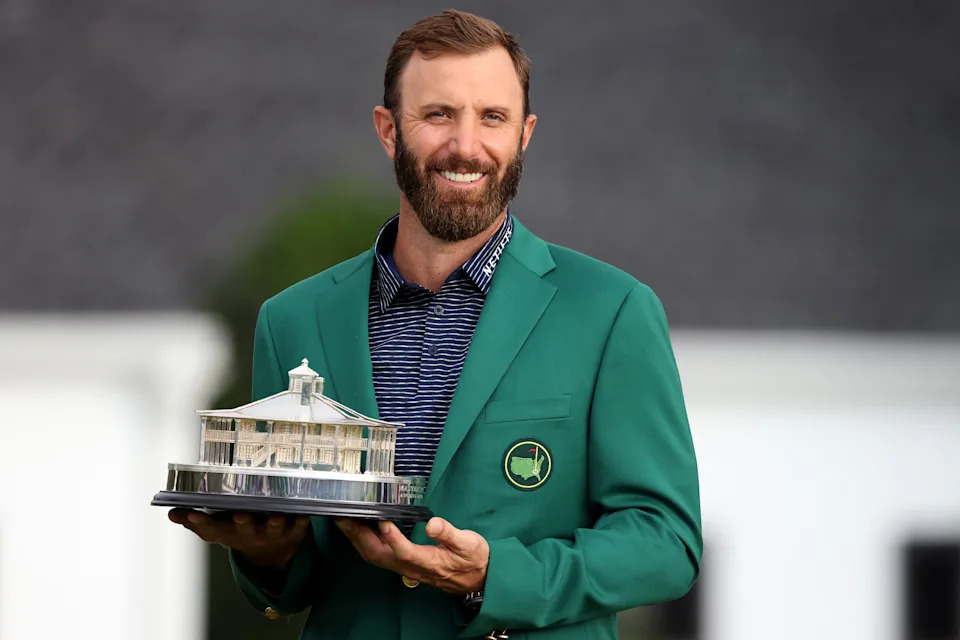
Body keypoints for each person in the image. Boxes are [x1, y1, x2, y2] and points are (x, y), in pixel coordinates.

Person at [169, 9, 701, 640]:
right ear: (389, 130)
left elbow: (666, 542)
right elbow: (293, 577)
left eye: (492, 117)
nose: (466, 145)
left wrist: (493, 575)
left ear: (525, 133)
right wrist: (265, 550)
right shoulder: (292, 320)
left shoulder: (610, 311)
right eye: (438, 114)